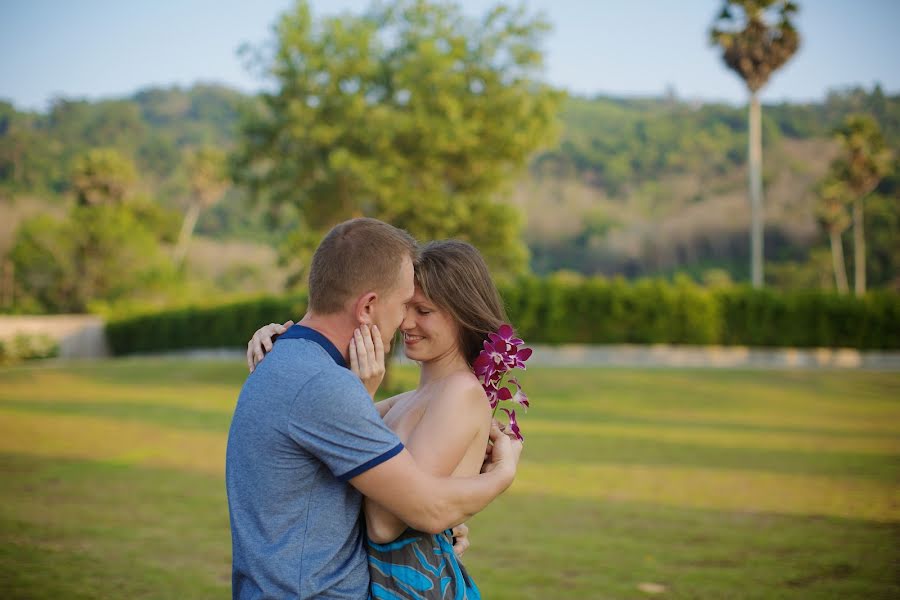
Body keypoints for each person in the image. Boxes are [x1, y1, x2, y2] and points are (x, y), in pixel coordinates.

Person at [227, 218, 522, 600]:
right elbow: (411, 507)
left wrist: (446, 511)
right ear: (368, 305)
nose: (404, 322)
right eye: (404, 306)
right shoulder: (335, 388)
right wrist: (496, 478)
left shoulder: (293, 365)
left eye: (423, 310)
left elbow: (397, 512)